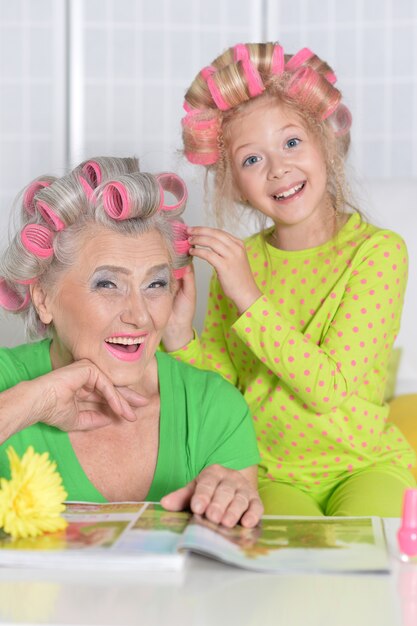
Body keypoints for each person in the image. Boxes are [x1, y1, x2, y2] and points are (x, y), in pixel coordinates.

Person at [162, 42, 416, 516]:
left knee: (370, 563)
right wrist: (179, 337)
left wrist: (249, 297)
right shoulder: (240, 264)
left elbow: (328, 388)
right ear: (234, 183)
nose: (278, 167)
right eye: (251, 160)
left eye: (292, 142)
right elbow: (221, 390)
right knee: (283, 578)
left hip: (365, 465)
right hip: (269, 471)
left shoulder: (378, 253)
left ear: (325, 142)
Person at [0, 156, 263, 529]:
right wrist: (30, 403)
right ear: (43, 297)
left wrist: (233, 501)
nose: (140, 316)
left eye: (155, 284)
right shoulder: (6, 384)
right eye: (107, 284)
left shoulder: (212, 408)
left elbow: (231, 574)